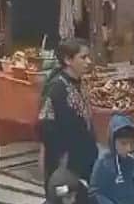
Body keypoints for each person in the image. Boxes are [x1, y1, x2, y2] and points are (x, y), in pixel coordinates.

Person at [39, 38, 99, 184]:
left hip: (83, 158)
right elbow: (46, 127)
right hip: (64, 162)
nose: (88, 62)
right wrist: (61, 157)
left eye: (88, 57)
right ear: (68, 60)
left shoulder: (80, 83)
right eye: (83, 57)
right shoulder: (57, 88)